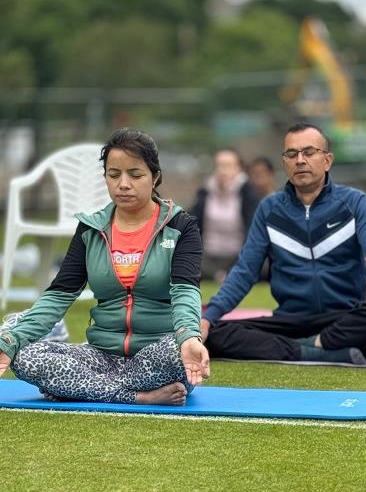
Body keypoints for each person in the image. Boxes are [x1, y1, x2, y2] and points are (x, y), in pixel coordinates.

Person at [0, 128, 210, 405]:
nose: (123, 184)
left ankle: (76, 388)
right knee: (22, 351)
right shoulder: (90, 228)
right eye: (114, 175)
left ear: (155, 176)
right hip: (100, 356)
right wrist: (11, 342)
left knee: (176, 353)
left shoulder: (181, 226)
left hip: (157, 358)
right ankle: (135, 397)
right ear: (106, 178)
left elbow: (185, 291)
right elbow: (59, 295)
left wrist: (188, 337)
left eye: (135, 175)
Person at [201, 122, 366, 364]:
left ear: (327, 160)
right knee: (214, 334)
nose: (299, 160)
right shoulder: (269, 209)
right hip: (289, 321)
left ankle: (295, 348)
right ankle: (311, 349)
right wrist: (208, 317)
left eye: (309, 152)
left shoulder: (355, 202)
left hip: (343, 318)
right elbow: (245, 271)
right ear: (284, 162)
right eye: (291, 154)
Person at [189, 148, 259, 282]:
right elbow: (193, 220)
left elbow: (252, 228)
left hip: (237, 254)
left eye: (227, 166)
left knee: (261, 263)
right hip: (208, 254)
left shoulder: (248, 192)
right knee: (187, 261)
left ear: (239, 168)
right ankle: (219, 275)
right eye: (219, 165)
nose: (222, 170)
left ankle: (226, 274)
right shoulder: (205, 191)